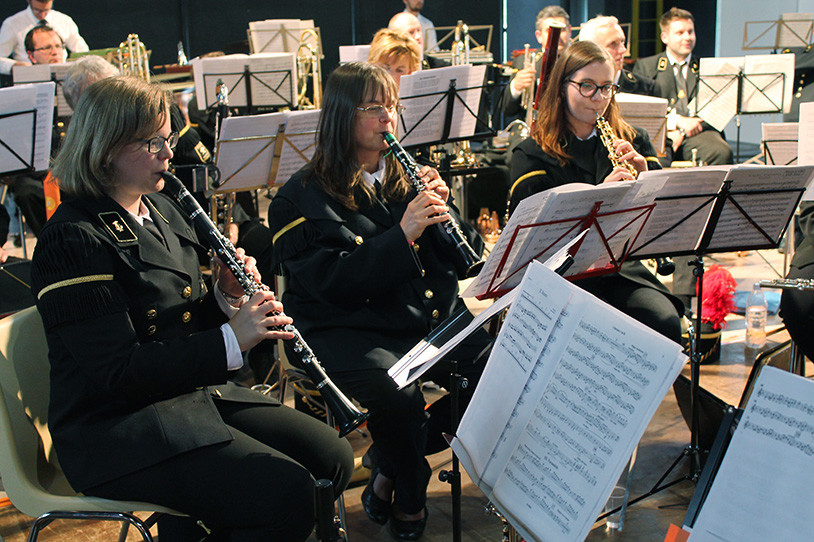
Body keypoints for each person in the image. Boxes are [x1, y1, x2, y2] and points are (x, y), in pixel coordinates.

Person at [29, 76, 354, 542]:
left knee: (333, 458)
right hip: (114, 429)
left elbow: (178, 321)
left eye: (168, 139)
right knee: (288, 496)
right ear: (105, 148)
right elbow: (116, 371)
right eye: (152, 142)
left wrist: (225, 297)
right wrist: (232, 339)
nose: (168, 153)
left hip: (182, 396)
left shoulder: (160, 207)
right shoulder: (73, 239)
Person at [267, 62, 489, 540]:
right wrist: (405, 231)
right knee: (398, 396)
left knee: (497, 373)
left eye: (392, 106)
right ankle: (410, 487)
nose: (388, 117)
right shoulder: (298, 198)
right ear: (342, 116)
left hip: (423, 318)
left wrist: (445, 216)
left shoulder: (408, 177)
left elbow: (458, 262)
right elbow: (332, 283)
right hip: (347, 326)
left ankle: (388, 461)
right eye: (373, 107)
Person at [508, 40, 684, 343]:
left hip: (620, 270)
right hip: (562, 276)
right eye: (587, 86)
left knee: (664, 321)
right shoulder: (532, 153)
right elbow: (530, 242)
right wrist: (597, 199)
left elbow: (664, 219)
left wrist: (647, 179)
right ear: (563, 87)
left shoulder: (633, 139)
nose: (598, 98)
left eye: (606, 87)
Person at [633, 7, 733, 166]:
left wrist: (684, 130)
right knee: (655, 159)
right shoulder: (646, 67)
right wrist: (677, 123)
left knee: (721, 152)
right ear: (664, 37)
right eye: (680, 33)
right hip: (662, 133)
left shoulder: (707, 67)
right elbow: (641, 109)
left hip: (699, 132)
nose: (687, 37)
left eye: (690, 32)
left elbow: (717, 110)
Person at [498, 5, 572, 119]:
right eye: (549, 30)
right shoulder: (522, 61)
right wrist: (516, 87)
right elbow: (507, 109)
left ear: (570, 31)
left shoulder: (580, 61)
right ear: (539, 36)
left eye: (562, 30)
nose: (556, 35)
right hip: (532, 131)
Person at [0, 0, 88, 75]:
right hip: (29, 77)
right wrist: (14, 66)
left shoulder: (64, 21)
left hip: (63, 77)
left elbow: (83, 53)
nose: (42, 15)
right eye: (37, 10)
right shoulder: (12, 24)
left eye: (46, 10)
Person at [577, 15, 653, 95]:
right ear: (590, 51)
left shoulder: (646, 87)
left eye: (622, 42)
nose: (623, 50)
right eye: (612, 44)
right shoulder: (575, 87)